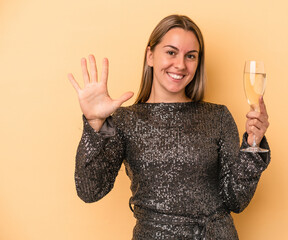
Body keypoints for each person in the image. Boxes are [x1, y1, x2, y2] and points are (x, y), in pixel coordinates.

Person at [68, 14, 270, 240]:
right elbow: (89, 190)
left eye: (190, 56)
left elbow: (236, 200)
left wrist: (253, 144)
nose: (181, 64)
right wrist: (96, 124)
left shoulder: (218, 116)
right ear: (150, 56)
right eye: (171, 52)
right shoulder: (122, 121)